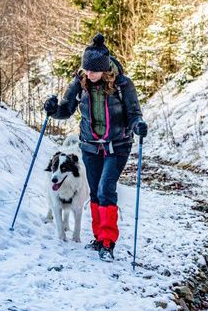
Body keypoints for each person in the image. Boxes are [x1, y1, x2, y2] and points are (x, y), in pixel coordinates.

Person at [43, 33, 148, 262]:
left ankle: (108, 242)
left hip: (117, 145)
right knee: (94, 191)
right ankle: (99, 238)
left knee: (105, 189)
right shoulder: (80, 83)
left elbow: (134, 114)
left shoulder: (122, 84)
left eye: (93, 70)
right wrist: (52, 110)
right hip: (90, 147)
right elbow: (66, 109)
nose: (88, 74)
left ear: (104, 69)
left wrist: (138, 125)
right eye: (86, 69)